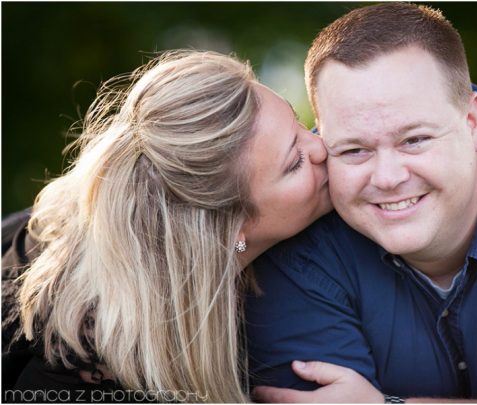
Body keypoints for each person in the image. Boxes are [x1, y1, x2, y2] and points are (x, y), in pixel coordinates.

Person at [246, 3, 477, 403]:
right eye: (353, 150)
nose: (388, 177)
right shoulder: (293, 240)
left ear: (473, 124)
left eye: (413, 140)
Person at [2, 50, 332, 403]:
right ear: (232, 228)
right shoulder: (85, 377)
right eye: (294, 161)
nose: (321, 145)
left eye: (298, 121)